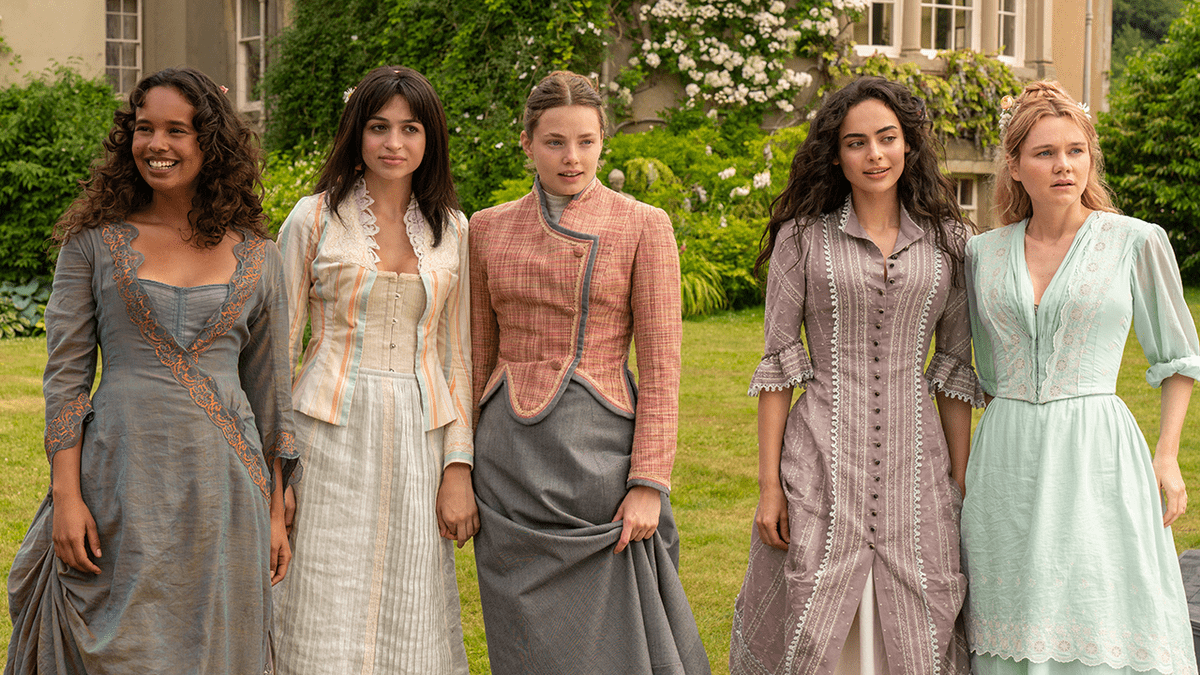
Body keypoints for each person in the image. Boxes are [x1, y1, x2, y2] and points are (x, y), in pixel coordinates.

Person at [5, 67, 299, 674]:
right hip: (119, 483)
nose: (156, 144)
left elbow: (271, 395)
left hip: (224, 490)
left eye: (176, 130)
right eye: (144, 129)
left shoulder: (260, 258)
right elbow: (65, 379)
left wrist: (275, 513)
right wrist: (66, 495)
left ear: (209, 143)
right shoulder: (90, 244)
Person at [729, 76, 981, 675]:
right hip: (820, 450)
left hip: (915, 457)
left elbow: (952, 371)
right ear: (835, 154)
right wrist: (769, 487)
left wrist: (962, 480)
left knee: (923, 601)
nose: (875, 155)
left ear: (909, 146)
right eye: (857, 142)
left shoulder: (951, 242)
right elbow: (777, 367)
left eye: (887, 139)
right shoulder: (801, 240)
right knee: (814, 596)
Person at [469, 70, 710, 675]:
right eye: (554, 141)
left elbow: (661, 364)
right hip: (507, 466)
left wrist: (649, 481)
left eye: (586, 141)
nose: (571, 158)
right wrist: (458, 462)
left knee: (614, 637)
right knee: (524, 639)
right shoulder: (485, 229)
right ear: (525, 142)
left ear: (605, 141)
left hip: (599, 463)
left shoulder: (643, 224)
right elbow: (472, 358)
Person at [961, 81, 1199, 675]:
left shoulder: (1135, 241)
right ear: (1014, 166)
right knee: (1011, 615)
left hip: (1098, 450)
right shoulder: (981, 253)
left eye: (1075, 150)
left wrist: (1166, 456)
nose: (1063, 165)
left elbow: (1179, 358)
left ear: (1090, 157)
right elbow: (980, 366)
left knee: (1103, 610)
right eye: (1044, 153)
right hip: (1006, 456)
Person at [271, 65, 474, 674]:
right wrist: (275, 471)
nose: (394, 143)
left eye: (410, 128)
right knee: (318, 589)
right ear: (356, 134)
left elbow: (456, 354)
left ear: (428, 139)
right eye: (379, 126)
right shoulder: (312, 219)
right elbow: (275, 353)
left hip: (419, 434)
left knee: (410, 594)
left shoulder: (454, 231)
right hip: (324, 431)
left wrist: (458, 467)